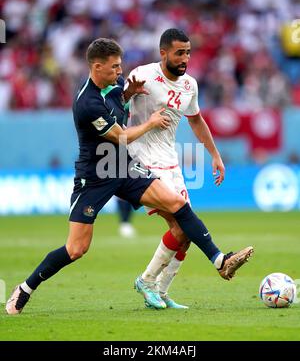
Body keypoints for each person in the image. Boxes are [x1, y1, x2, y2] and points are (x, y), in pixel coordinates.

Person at [6, 38, 253, 315]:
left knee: (178, 206)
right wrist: (150, 123)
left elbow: (119, 110)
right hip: (96, 175)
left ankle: (220, 260)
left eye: (120, 65)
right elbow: (120, 136)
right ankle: (25, 288)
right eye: (113, 68)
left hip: (124, 168)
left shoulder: (115, 86)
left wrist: (126, 95)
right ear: (97, 67)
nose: (119, 72)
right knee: (76, 249)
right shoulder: (87, 103)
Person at [126, 28, 253, 309]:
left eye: (188, 52)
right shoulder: (142, 75)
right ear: (163, 53)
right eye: (179, 52)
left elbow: (196, 120)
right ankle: (149, 281)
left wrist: (215, 155)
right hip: (142, 160)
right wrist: (127, 94)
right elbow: (115, 108)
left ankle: (160, 291)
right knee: (182, 224)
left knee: (186, 233)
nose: (185, 58)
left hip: (171, 161)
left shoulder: (190, 86)